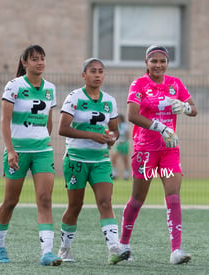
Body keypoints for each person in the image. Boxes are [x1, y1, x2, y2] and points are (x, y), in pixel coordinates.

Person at [119, 45, 197, 264]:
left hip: (169, 150)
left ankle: (176, 251)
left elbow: (194, 109)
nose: (158, 65)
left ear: (167, 63)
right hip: (145, 150)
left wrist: (184, 107)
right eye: (154, 61)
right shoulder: (139, 84)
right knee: (137, 199)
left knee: (173, 196)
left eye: (162, 61)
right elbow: (132, 115)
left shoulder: (176, 84)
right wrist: (160, 127)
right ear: (146, 63)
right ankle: (123, 244)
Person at [0, 45, 62, 266]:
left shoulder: (50, 88)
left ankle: (47, 252)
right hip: (18, 152)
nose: (40, 63)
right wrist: (11, 150)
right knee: (10, 201)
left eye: (42, 59)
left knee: (45, 199)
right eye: (34, 59)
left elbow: (49, 122)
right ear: (24, 62)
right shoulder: (14, 86)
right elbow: (5, 121)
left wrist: (42, 141)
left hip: (42, 151)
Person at [57, 58, 130, 265]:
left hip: (101, 160)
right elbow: (63, 129)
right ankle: (65, 248)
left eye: (100, 71)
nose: (97, 75)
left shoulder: (110, 101)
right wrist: (91, 135)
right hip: (76, 160)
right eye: (93, 71)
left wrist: (111, 138)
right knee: (75, 206)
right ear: (84, 75)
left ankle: (114, 249)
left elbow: (115, 129)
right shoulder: (74, 97)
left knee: (105, 202)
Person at [110, 114, 131, 180]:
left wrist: (124, 140)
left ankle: (126, 175)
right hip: (117, 144)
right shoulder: (116, 125)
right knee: (114, 158)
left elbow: (127, 135)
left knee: (125, 160)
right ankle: (114, 174)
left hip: (124, 144)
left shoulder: (125, 125)